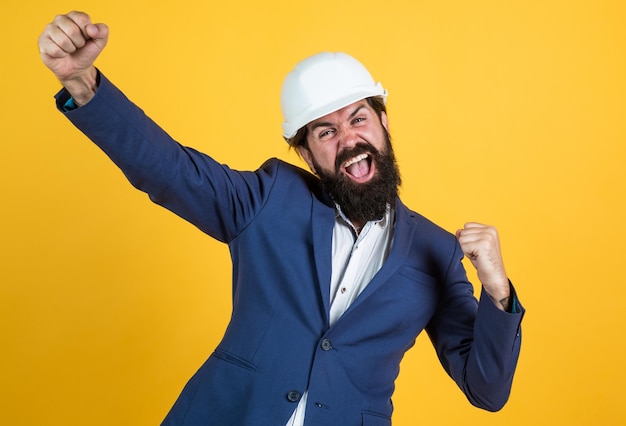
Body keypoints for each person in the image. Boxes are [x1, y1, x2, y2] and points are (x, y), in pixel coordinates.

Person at [39, 11, 525, 426]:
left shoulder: (435, 250)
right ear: (308, 155)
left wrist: (497, 289)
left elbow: (486, 389)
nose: (349, 139)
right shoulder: (271, 197)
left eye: (359, 118)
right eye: (326, 131)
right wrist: (83, 84)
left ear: (384, 124)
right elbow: (171, 171)